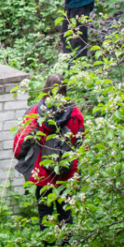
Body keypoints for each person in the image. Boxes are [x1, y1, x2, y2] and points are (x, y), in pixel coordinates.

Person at [12, 74, 84, 234]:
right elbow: (80, 142)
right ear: (65, 89)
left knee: (45, 212)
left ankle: (47, 246)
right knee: (65, 213)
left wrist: (21, 156)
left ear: (45, 88)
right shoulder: (75, 114)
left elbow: (20, 143)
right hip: (67, 174)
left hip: (43, 174)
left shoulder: (35, 112)